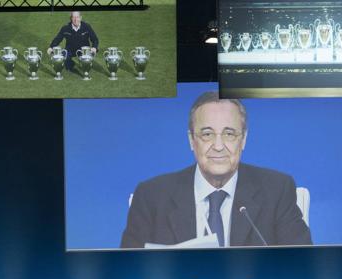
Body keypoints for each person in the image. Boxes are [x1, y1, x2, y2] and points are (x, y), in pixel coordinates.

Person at [120, 91, 312, 248]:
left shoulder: (277, 191)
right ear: (191, 140)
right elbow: (128, 272)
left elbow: (301, 264)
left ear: (243, 139)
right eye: (207, 134)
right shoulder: (151, 197)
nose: (218, 146)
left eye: (229, 134)